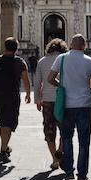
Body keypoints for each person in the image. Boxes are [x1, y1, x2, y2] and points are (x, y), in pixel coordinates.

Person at [48, 34, 91, 180]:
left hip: (67, 105)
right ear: (84, 46)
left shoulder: (62, 58)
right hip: (84, 105)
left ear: (71, 45)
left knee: (66, 138)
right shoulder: (90, 61)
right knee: (84, 141)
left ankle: (69, 171)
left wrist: (61, 85)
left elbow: (50, 78)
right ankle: (82, 176)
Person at [0, 37, 31, 163]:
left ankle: (4, 147)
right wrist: (28, 94)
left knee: (2, 122)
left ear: (5, 46)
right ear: (16, 48)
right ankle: (3, 151)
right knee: (8, 123)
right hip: (12, 96)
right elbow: (26, 81)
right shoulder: (19, 62)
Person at [34, 39, 68, 170]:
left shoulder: (42, 61)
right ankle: (60, 149)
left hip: (47, 100)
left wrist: (37, 99)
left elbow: (37, 83)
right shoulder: (65, 60)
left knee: (49, 130)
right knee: (64, 128)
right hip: (63, 100)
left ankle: (55, 159)